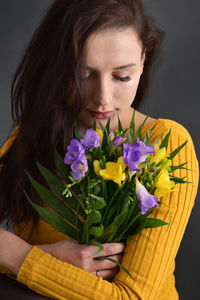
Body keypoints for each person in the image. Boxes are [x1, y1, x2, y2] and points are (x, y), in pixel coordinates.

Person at [0, 0, 199, 299]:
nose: (103, 98)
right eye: (84, 74)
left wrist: (13, 253)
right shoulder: (31, 136)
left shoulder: (166, 145)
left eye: (122, 76)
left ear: (143, 61)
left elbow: (131, 297)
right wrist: (41, 255)